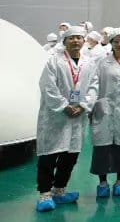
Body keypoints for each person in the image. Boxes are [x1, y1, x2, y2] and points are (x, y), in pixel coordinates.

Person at [35, 25, 99, 212]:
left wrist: (83, 105)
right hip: (56, 116)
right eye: (72, 38)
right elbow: (47, 86)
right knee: (49, 155)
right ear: (65, 41)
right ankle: (45, 194)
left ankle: (59, 190)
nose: (76, 41)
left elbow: (94, 86)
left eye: (79, 38)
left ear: (83, 41)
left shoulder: (89, 63)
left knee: (70, 155)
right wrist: (64, 106)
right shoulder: (54, 62)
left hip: (78, 116)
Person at [90, 27, 120, 199]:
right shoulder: (102, 62)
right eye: (116, 41)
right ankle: (102, 183)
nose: (119, 44)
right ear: (111, 43)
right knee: (103, 145)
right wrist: (93, 104)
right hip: (104, 108)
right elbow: (94, 83)